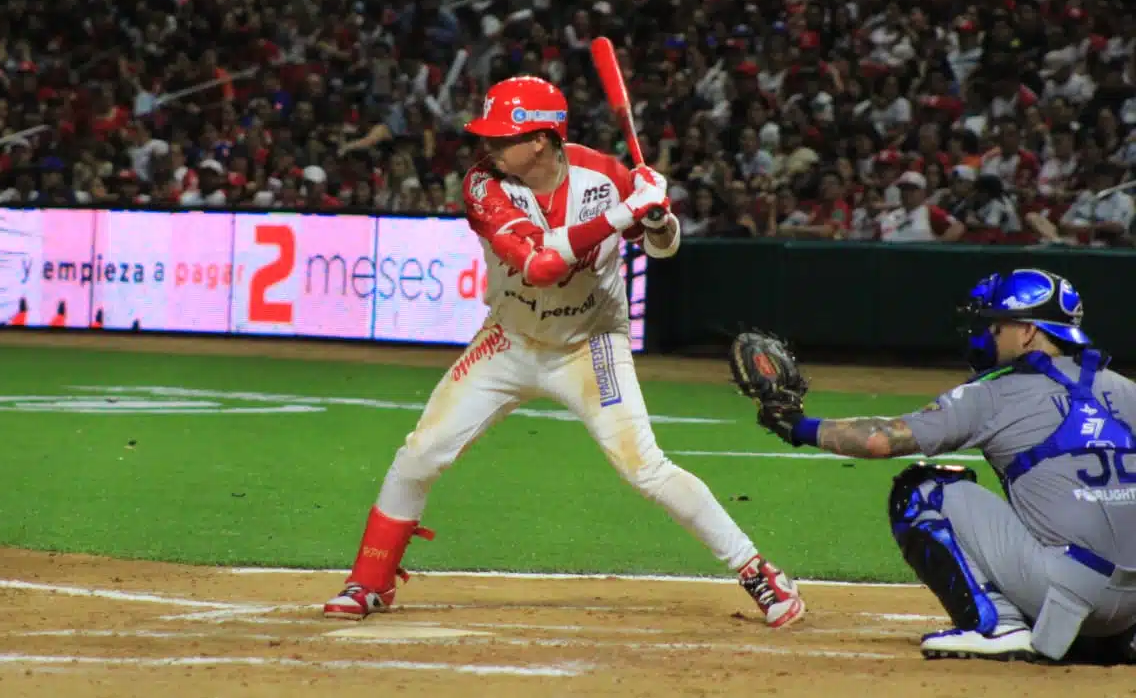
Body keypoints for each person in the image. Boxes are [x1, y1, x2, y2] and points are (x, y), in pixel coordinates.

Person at [323, 76, 805, 627]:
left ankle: (760, 574)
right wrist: (627, 214)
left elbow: (663, 247)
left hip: (591, 341)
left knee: (646, 467)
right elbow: (542, 265)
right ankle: (369, 582)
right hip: (509, 340)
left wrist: (659, 216)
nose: (490, 147)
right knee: (420, 452)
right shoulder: (484, 185)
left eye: (504, 137)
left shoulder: (603, 174)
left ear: (541, 140)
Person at [750, 269, 1136, 662]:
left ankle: (997, 626)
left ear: (1026, 332)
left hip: (1070, 592)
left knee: (921, 491)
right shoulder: (1124, 389)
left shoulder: (994, 393)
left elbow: (883, 438)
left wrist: (797, 426)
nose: (988, 335)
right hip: (1129, 610)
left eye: (997, 325)